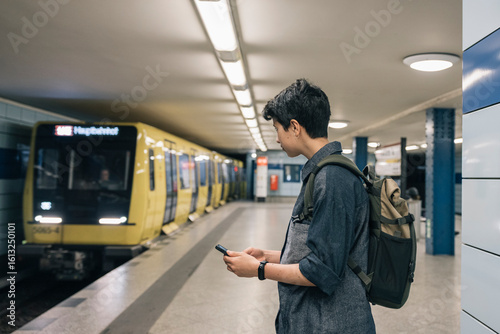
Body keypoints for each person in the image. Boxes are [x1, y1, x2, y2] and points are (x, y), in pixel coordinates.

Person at [222, 79, 376, 333]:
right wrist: (270, 255)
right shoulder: (322, 173)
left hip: (331, 323)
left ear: (294, 127)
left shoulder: (332, 178)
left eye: (277, 129)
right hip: (316, 320)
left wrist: (260, 270)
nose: (277, 138)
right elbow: (323, 250)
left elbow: (323, 270)